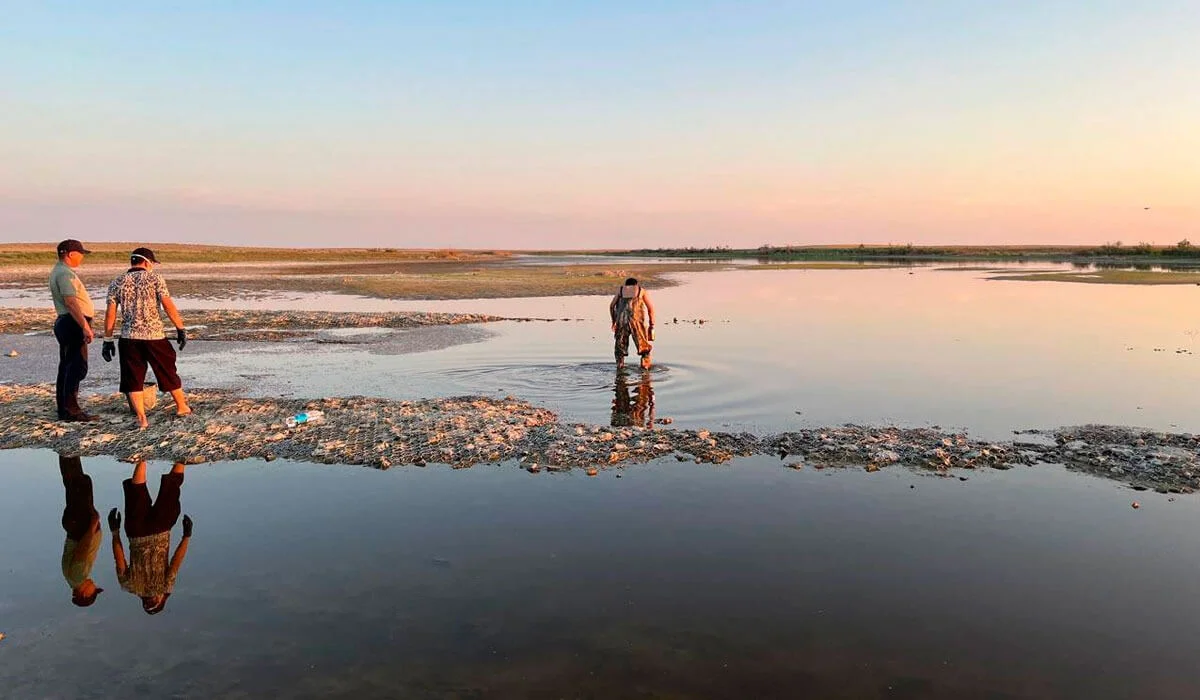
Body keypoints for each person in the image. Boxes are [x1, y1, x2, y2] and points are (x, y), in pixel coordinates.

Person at [101, 247, 191, 429]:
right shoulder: (155, 278)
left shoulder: (117, 282)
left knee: (132, 377)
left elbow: (110, 313)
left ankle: (142, 418)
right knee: (167, 370)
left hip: (128, 337)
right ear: (147, 262)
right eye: (152, 263)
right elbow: (167, 305)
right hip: (154, 336)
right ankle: (182, 406)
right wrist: (180, 328)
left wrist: (107, 339)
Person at [109, 461, 193, 615]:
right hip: (136, 533)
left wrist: (186, 536)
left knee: (171, 489)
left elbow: (176, 562)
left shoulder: (165, 587)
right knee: (137, 491)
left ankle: (182, 458)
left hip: (160, 530)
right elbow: (119, 559)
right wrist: (115, 532)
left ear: (161, 600)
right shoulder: (129, 586)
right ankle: (142, 458)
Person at [49, 239, 99, 422]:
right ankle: (71, 409)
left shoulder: (61, 271)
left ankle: (65, 408)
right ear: (71, 254)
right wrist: (85, 327)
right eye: (80, 254)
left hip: (68, 322)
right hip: (72, 323)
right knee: (76, 366)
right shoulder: (64, 273)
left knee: (68, 365)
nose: (82, 258)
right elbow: (71, 302)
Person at [59, 454, 104, 607]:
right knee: (72, 484)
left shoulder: (78, 577)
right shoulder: (70, 578)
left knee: (79, 484)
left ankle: (68, 452)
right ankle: (67, 453)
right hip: (74, 524)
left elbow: (82, 550)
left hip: (80, 525)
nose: (94, 585)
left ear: (85, 593)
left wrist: (93, 524)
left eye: (93, 590)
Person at [609, 277, 656, 370]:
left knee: (620, 347)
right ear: (636, 284)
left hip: (622, 321)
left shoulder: (621, 290)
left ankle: (620, 366)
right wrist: (652, 325)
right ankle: (645, 368)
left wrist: (614, 321)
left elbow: (611, 306)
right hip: (637, 321)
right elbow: (650, 309)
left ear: (626, 285)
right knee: (644, 347)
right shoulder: (641, 291)